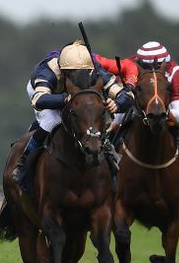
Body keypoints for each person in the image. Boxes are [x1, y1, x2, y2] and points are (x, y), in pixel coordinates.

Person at [11, 40, 133, 189]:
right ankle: (24, 163)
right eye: (73, 74)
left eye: (82, 74)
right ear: (63, 70)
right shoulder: (48, 71)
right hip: (48, 93)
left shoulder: (95, 69)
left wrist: (118, 103)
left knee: (94, 121)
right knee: (51, 121)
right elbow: (39, 100)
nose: (78, 78)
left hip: (74, 96)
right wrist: (65, 98)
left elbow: (126, 95)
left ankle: (111, 167)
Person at [121, 41, 179, 166]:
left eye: (157, 67)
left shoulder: (172, 70)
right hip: (137, 101)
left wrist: (168, 113)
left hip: (168, 101)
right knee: (118, 119)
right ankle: (109, 147)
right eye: (148, 67)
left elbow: (176, 94)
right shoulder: (130, 66)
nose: (152, 71)